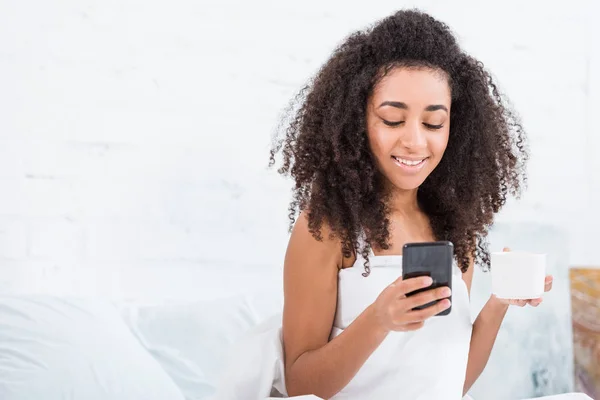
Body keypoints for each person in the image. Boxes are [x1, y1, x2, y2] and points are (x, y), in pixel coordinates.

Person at [213, 8, 553, 400]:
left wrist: (498, 303)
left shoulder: (453, 230)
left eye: (433, 123)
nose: (414, 141)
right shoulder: (327, 229)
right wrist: (378, 319)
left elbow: (448, 383)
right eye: (393, 120)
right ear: (357, 121)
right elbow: (301, 386)